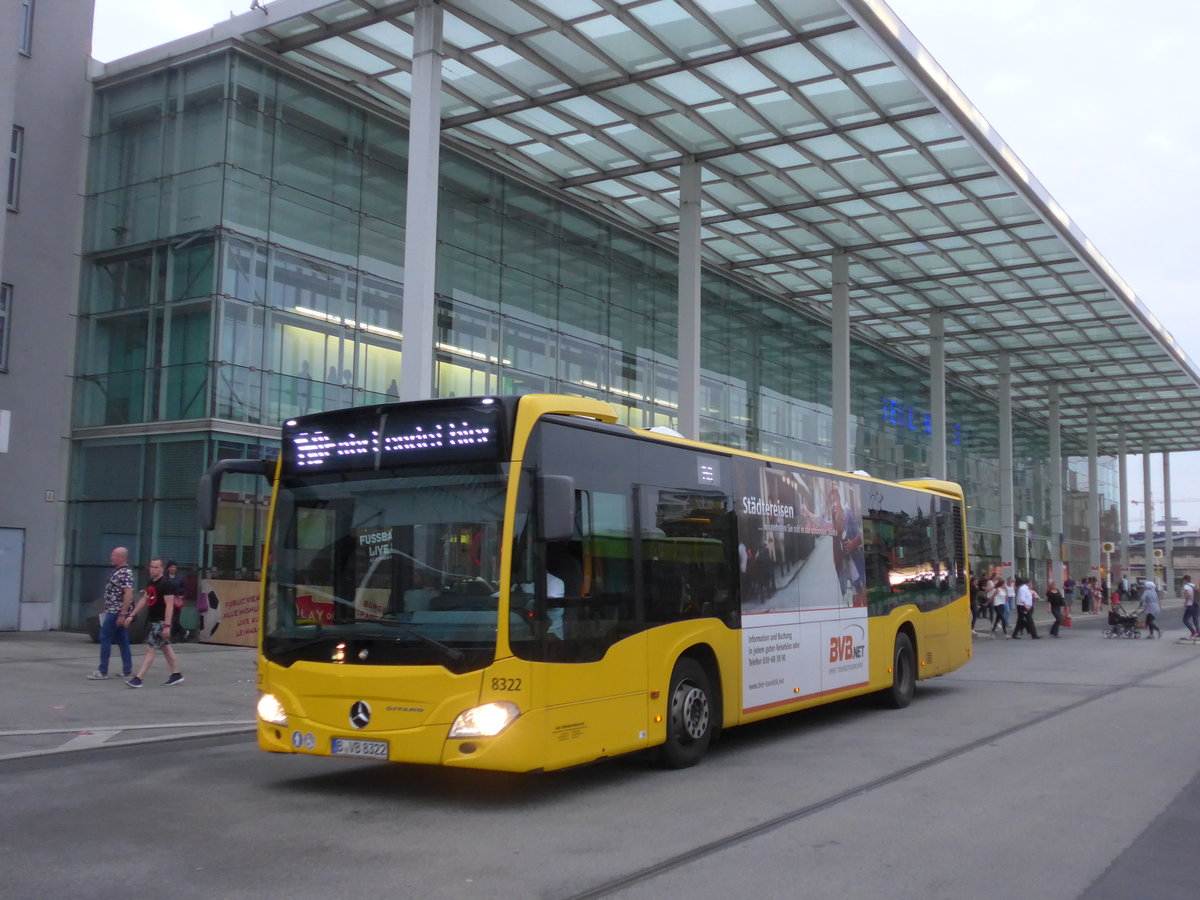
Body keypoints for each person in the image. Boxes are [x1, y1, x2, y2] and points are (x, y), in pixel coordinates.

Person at [125, 558, 184, 688]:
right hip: (154, 620)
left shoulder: (166, 584)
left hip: (161, 622)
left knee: (150, 649)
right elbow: (145, 599)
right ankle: (176, 674)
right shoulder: (151, 582)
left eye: (156, 567)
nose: (153, 569)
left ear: (162, 569)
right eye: (151, 566)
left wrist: (167, 625)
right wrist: (132, 615)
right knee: (165, 647)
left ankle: (139, 678)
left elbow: (169, 606)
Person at [87, 546, 135, 680]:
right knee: (122, 639)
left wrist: (122, 614)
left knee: (105, 637)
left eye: (114, 555)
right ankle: (127, 669)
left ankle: (103, 670)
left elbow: (128, 593)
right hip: (113, 610)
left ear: (122, 558)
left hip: (116, 612)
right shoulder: (118, 572)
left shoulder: (125, 573)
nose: (111, 557)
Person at [988, 571, 1008, 636]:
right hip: (997, 605)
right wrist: (987, 602)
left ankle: (993, 629)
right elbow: (993, 597)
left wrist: (1006, 590)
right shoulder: (998, 589)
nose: (1005, 585)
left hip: (1002, 605)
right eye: (1004, 584)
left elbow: (1007, 598)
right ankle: (1005, 633)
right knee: (1003, 619)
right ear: (1001, 584)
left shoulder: (1003, 590)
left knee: (998, 618)